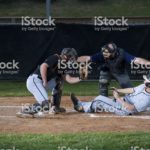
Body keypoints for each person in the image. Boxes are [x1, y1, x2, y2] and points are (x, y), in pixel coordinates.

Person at [18, 48, 82, 117]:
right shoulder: (56, 57)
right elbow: (43, 66)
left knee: (59, 80)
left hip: (41, 83)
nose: (72, 59)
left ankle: (55, 107)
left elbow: (68, 79)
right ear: (65, 56)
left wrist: (81, 78)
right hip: (34, 81)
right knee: (45, 105)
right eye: (70, 57)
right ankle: (25, 110)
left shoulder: (63, 65)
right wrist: (45, 81)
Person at [78, 42, 150, 96]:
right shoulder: (101, 54)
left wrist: (148, 63)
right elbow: (87, 58)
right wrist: (75, 59)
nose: (104, 53)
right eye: (104, 52)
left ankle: (131, 100)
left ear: (114, 52)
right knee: (103, 81)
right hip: (107, 71)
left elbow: (137, 60)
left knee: (129, 88)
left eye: (107, 52)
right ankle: (103, 99)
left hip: (119, 72)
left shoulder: (122, 54)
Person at [70, 74, 150, 116]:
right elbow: (132, 90)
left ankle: (82, 107)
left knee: (99, 99)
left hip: (124, 110)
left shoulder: (147, 99)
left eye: (146, 80)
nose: (144, 80)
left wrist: (118, 98)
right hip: (123, 102)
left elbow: (131, 108)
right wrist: (118, 90)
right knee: (101, 102)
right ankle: (81, 106)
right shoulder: (143, 86)